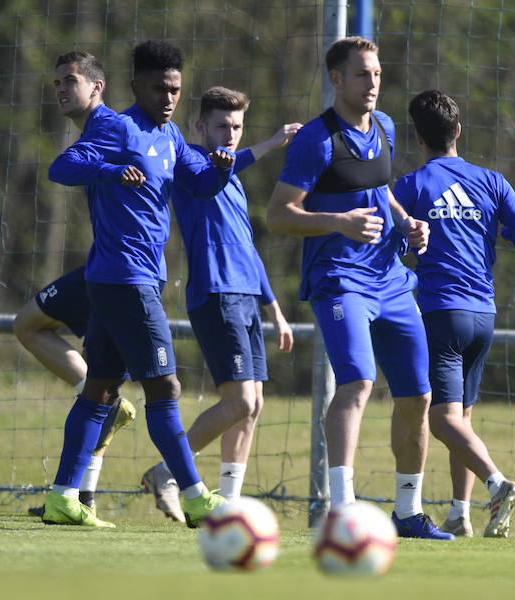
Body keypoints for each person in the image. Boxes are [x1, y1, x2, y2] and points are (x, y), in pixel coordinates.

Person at [39, 42, 233, 528]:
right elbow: (60, 168)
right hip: (126, 279)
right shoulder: (115, 126)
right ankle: (193, 495)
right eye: (160, 89)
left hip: (123, 280)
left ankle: (63, 497)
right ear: (135, 87)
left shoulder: (169, 137)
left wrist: (224, 170)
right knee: (164, 385)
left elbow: (201, 183)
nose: (169, 99)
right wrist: (108, 171)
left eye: (176, 90)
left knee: (100, 390)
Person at [266, 37, 451, 540]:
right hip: (340, 282)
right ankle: (342, 510)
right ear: (336, 79)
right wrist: (338, 222)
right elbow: (278, 215)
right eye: (362, 75)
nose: (372, 83)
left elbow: (381, 191)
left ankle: (408, 513)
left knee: (418, 394)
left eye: (376, 74)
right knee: (358, 383)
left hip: (392, 281)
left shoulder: (387, 126)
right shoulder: (315, 139)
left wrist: (409, 222)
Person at [140, 87, 300, 520]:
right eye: (221, 126)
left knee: (254, 405)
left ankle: (227, 503)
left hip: (247, 296)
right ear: (199, 127)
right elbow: (225, 164)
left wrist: (275, 310)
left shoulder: (234, 182)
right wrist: (269, 144)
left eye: (236, 127)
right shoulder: (192, 165)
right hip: (217, 294)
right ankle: (166, 471)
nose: (229, 134)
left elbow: (247, 248)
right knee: (240, 403)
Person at [393, 90, 515, 537]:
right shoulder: (492, 181)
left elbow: (392, 242)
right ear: (458, 131)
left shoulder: (411, 186)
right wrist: (493, 227)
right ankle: (460, 514)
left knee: (440, 419)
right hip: (484, 314)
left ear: (418, 137)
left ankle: (498, 484)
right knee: (462, 418)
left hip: (440, 312)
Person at [15, 271, 137, 518]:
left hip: (114, 267)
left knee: (26, 324)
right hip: (128, 270)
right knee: (97, 367)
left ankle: (105, 402)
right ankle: (83, 498)